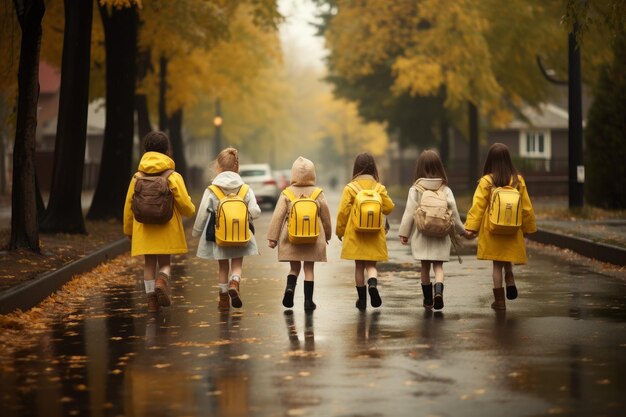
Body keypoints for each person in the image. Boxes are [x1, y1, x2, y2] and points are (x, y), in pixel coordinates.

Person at [123, 131, 196, 313]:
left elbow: (128, 206)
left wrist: (129, 230)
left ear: (146, 150)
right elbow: (185, 205)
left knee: (149, 264)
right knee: (165, 262)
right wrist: (191, 211)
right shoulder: (173, 176)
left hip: (144, 229)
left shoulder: (136, 177)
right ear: (166, 150)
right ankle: (162, 280)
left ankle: (151, 301)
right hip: (167, 227)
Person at [464, 143, 536, 310]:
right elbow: (526, 207)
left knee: (497, 265)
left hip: (493, 228)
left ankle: (499, 301)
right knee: (507, 257)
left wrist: (471, 228)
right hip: (513, 227)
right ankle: (510, 277)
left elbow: (478, 206)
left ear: (490, 160)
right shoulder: (518, 180)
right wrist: (528, 228)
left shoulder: (486, 181)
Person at [192, 148, 261, 311]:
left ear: (218, 167)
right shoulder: (245, 189)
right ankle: (235, 282)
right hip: (241, 234)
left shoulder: (212, 190)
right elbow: (256, 211)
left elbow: (202, 214)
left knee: (223, 267)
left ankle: (223, 300)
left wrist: (196, 232)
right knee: (237, 264)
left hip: (219, 235)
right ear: (237, 167)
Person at [398, 150, 467, 310]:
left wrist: (404, 233)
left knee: (424, 267)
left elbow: (409, 212)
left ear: (419, 168)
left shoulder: (415, 189)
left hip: (422, 234)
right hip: (441, 235)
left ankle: (428, 300)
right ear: (439, 167)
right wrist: (462, 230)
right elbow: (454, 213)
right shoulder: (445, 189)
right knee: (438, 267)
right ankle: (439, 293)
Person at [267, 157, 332, 311]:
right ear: (313, 174)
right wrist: (327, 235)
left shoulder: (287, 193)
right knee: (309, 269)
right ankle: (308, 302)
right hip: (313, 238)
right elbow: (326, 217)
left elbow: (278, 216)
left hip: (292, 238)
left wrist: (272, 238)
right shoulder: (317, 193)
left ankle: (290, 289)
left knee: (294, 268)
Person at [336, 153, 394, 310]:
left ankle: (362, 300)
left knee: (359, 266)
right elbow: (389, 208)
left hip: (356, 233)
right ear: (373, 168)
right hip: (374, 233)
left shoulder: (350, 188)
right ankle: (373, 284)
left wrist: (340, 231)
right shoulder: (379, 188)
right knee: (371, 265)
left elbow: (343, 212)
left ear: (356, 168)